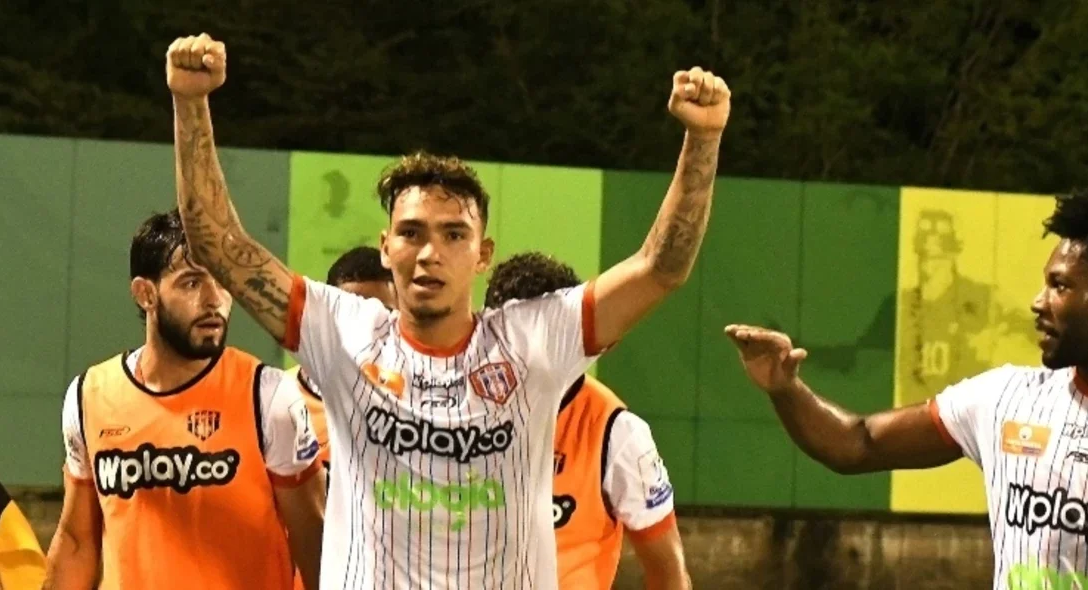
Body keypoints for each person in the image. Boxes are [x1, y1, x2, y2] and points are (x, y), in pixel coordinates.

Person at [166, 31, 729, 589]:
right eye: (411, 232)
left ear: (483, 255)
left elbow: (661, 267)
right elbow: (219, 246)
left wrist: (702, 140)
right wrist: (191, 103)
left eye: (453, 234)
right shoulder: (342, 333)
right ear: (386, 247)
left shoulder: (535, 341)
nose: (429, 253)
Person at [724, 189, 1088, 589]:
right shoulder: (1006, 400)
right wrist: (785, 388)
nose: (1038, 302)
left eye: (1060, 286)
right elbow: (856, 443)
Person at [43, 210, 326, 590]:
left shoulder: (268, 396)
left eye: (222, 282)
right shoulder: (88, 397)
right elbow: (77, 541)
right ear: (145, 294)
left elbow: (316, 540)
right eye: (192, 283)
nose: (214, 301)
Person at [485, 252, 691, 589]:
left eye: (548, 335)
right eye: (513, 335)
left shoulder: (618, 434)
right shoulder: (446, 406)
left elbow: (668, 574)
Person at [288, 246, 396, 475]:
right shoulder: (281, 399)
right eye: (351, 314)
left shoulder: (420, 403)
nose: (366, 330)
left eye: (381, 316)